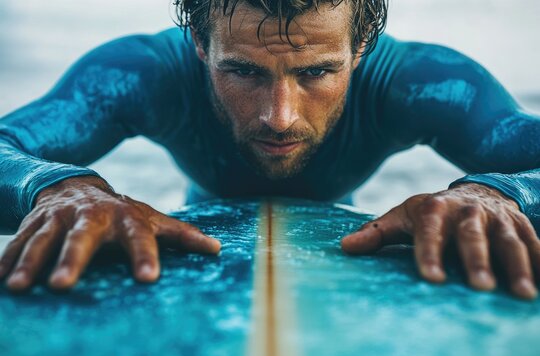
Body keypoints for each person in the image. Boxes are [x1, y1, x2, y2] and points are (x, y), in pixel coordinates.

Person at [0, 0, 539, 299]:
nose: (278, 115)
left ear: (360, 48)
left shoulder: (423, 85)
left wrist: (499, 192)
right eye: (242, 70)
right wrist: (54, 188)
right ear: (199, 46)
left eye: (317, 72)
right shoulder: (139, 75)